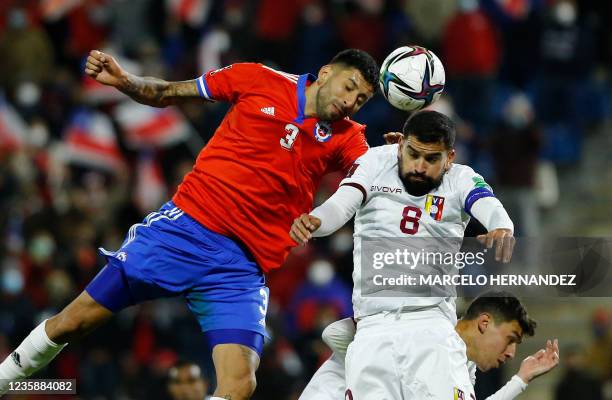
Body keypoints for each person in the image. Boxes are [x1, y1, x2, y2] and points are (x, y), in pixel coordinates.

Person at [0, 48, 379, 400]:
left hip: (240, 268)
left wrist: (394, 159)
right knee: (73, 322)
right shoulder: (256, 78)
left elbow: (372, 179)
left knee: (240, 384)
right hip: (184, 231)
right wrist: (126, 81)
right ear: (327, 72)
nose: (350, 102)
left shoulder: (348, 137)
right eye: (349, 88)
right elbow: (167, 93)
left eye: (360, 100)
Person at [290, 110, 516, 398]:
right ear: (400, 146)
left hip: (430, 324)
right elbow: (341, 205)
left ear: (450, 158)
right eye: (413, 154)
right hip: (373, 327)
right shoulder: (375, 163)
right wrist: (316, 221)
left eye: (432, 158)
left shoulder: (461, 179)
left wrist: (502, 226)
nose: (419, 166)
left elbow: (488, 204)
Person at [299, 293, 560, 400]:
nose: (511, 352)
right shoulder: (422, 323)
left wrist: (520, 379)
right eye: (510, 339)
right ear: (484, 323)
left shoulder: (462, 364)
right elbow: (334, 333)